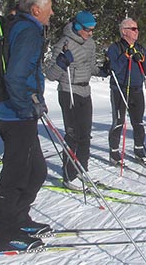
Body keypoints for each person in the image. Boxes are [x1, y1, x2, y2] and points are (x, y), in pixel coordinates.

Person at [0, 0, 54, 251]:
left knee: (36, 171)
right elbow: (16, 76)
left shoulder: (21, 26)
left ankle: (19, 218)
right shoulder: (29, 30)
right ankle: (5, 234)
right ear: (36, 9)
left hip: (16, 112)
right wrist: (27, 108)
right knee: (16, 176)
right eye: (49, 8)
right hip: (16, 115)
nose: (52, 13)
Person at [46, 10, 107, 190]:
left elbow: (90, 67)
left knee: (85, 135)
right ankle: (69, 176)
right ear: (78, 27)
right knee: (72, 135)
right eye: (88, 30)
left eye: (93, 30)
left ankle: (82, 170)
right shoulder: (63, 44)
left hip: (85, 90)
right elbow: (50, 75)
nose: (91, 33)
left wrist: (103, 70)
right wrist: (61, 62)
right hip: (68, 91)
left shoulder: (90, 44)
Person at [107, 18, 146, 165]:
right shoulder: (115, 48)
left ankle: (139, 150)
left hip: (137, 89)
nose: (137, 31)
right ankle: (114, 152)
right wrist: (125, 56)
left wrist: (143, 59)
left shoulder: (140, 48)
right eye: (133, 29)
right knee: (119, 122)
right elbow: (113, 69)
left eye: (137, 28)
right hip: (120, 88)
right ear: (124, 31)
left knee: (138, 122)